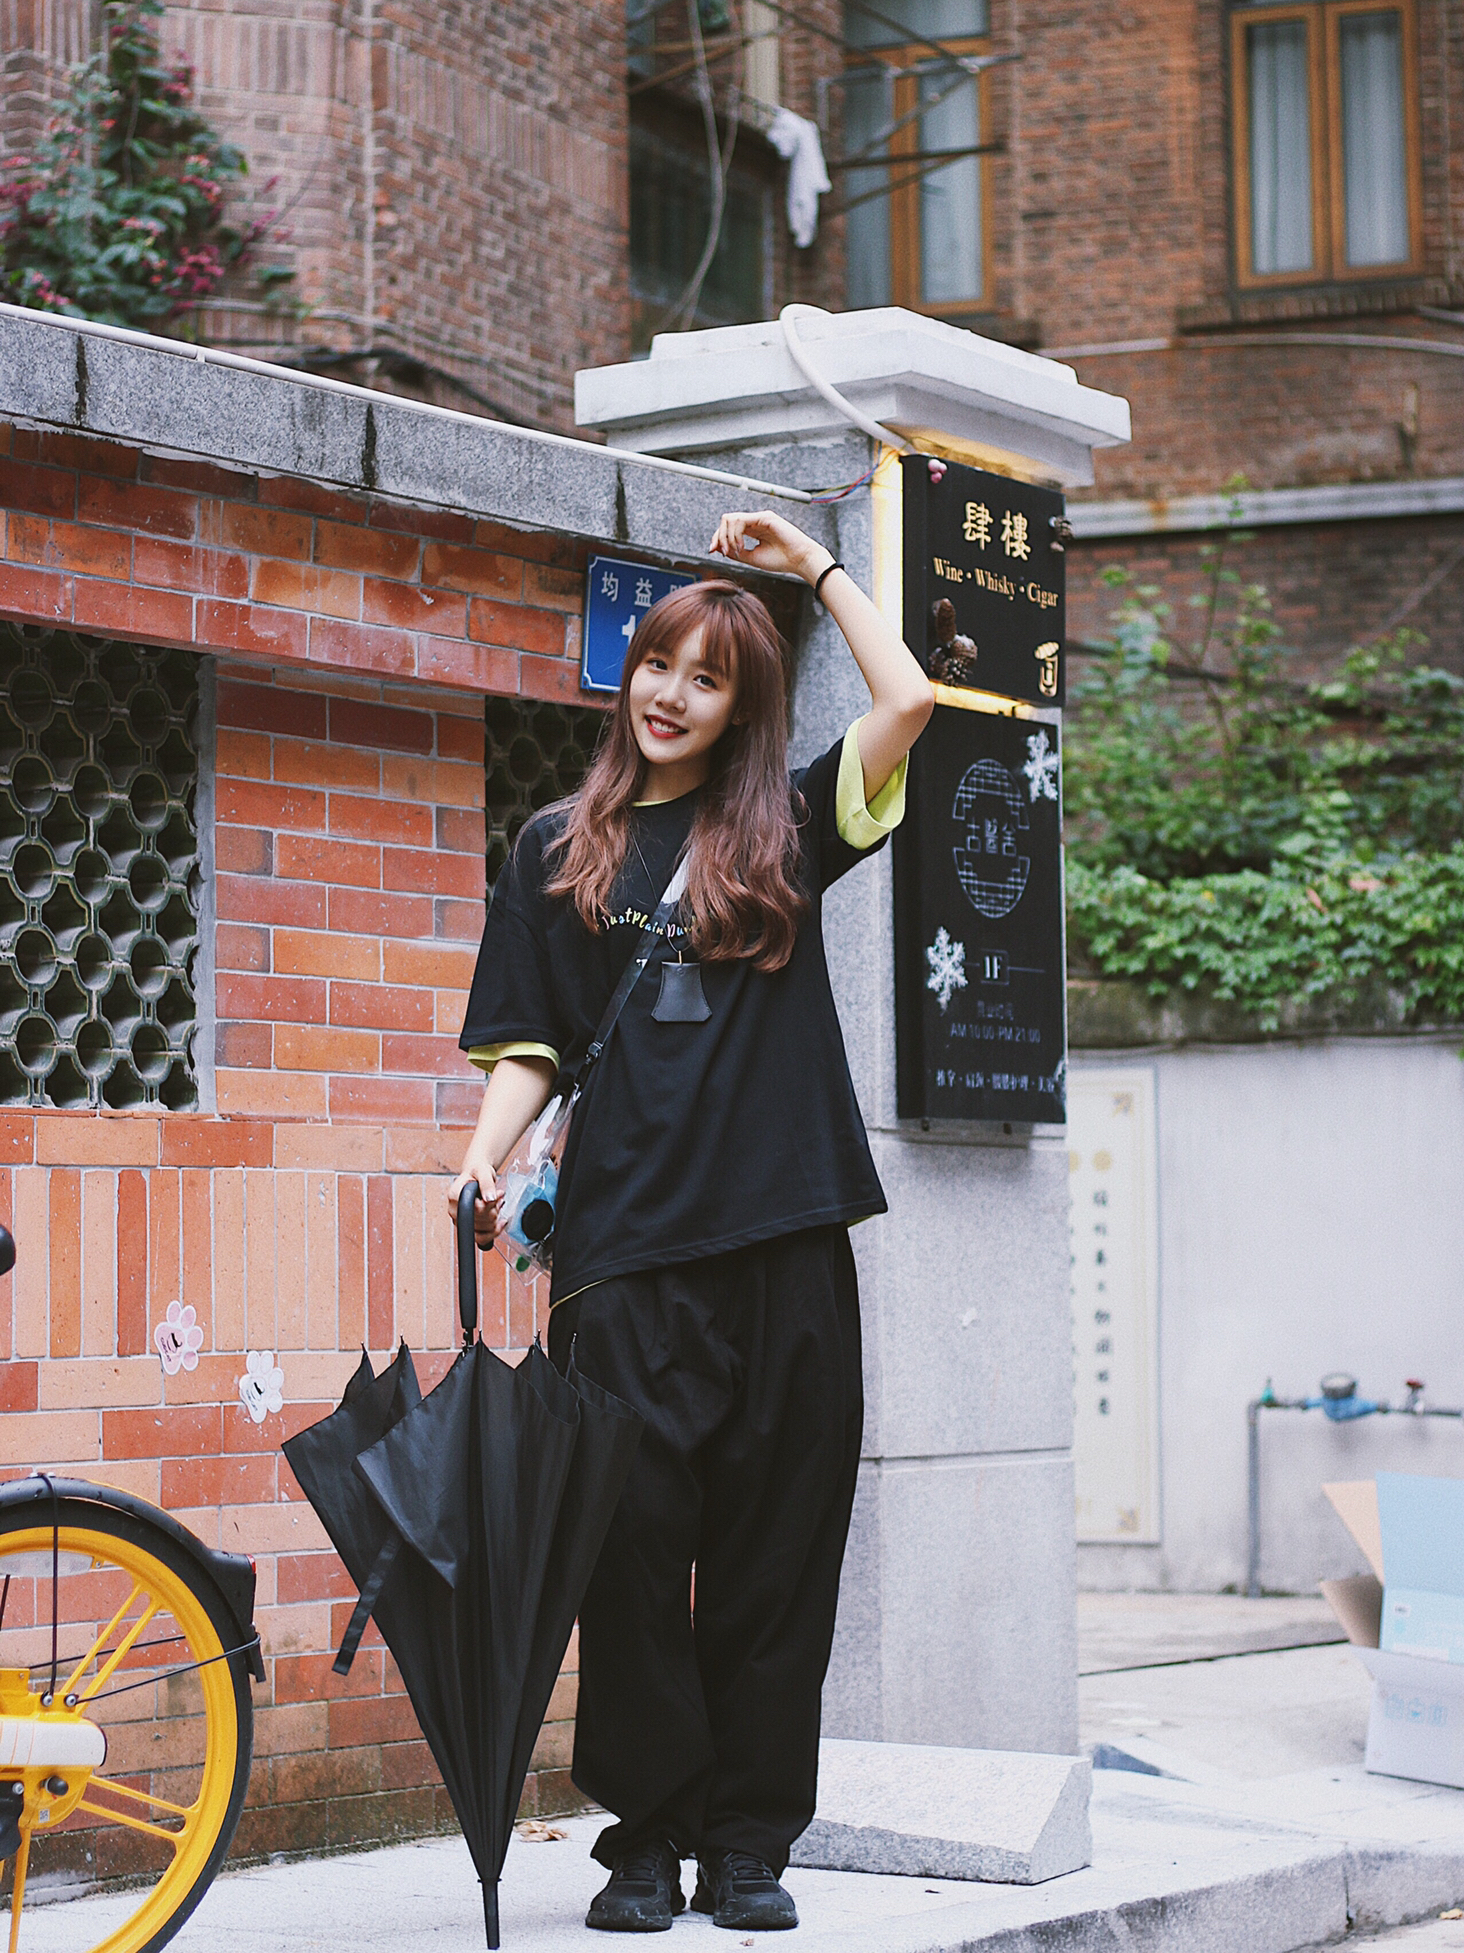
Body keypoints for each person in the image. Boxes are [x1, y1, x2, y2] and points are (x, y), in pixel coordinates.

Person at [449, 510, 932, 1934]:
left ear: (743, 705)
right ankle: (648, 1839)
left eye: (708, 678)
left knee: (780, 1554)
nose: (670, 693)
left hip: (788, 1239)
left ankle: (747, 1844)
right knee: (632, 1556)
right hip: (623, 1259)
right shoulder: (556, 846)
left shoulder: (785, 828)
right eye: (657, 664)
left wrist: (814, 572)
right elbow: (532, 1041)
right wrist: (481, 1158)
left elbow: (909, 699)